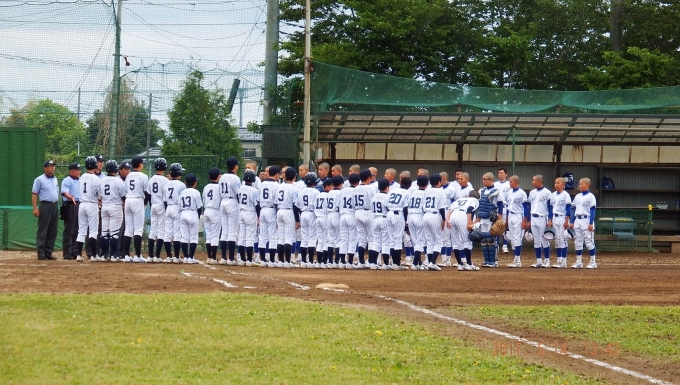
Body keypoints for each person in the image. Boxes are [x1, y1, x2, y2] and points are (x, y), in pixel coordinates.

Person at [99, 160, 127, 262]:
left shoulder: (102, 180)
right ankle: (115, 255)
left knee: (104, 233)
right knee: (114, 234)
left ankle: (104, 255)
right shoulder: (118, 181)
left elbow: (99, 196)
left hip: (104, 206)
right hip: (115, 207)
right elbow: (124, 196)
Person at [32, 160, 59, 261]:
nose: (53, 168)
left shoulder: (55, 179)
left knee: (53, 230)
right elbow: (34, 193)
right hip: (45, 205)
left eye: (53, 166)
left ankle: (48, 253)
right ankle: (41, 253)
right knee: (43, 230)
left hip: (54, 205)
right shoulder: (39, 179)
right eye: (50, 166)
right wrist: (35, 208)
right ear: (45, 168)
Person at [123, 156, 149, 263]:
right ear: (139, 164)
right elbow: (147, 192)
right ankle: (138, 255)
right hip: (137, 200)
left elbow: (125, 189)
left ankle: (126, 255)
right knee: (138, 229)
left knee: (128, 229)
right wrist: (145, 203)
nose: (143, 165)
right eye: (142, 163)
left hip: (128, 199)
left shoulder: (128, 175)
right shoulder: (143, 176)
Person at [446, 190, 480, 271]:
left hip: (453, 216)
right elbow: (470, 209)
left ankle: (460, 265)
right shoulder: (475, 200)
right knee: (467, 241)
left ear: (468, 195)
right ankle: (468, 264)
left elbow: (450, 210)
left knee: (455, 242)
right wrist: (469, 223)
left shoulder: (459, 199)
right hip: (462, 216)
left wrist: (448, 220)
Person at [76, 156, 102, 262]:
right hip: (92, 204)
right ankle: (94, 255)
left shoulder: (82, 177)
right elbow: (100, 195)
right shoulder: (96, 179)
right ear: (95, 165)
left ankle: (78, 254)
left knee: (81, 230)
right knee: (93, 231)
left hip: (82, 204)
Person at [476, 172, 503, 268]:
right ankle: (487, 260)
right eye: (483, 179)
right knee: (483, 239)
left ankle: (493, 261)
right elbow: (480, 206)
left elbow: (500, 206)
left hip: (491, 218)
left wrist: (500, 219)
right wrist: (478, 219)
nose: (483, 181)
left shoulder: (497, 191)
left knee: (491, 239)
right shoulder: (481, 191)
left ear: (491, 180)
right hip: (483, 218)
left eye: (485, 179)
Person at [570, 178, 597, 269]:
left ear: (587, 185)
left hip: (587, 219)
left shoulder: (591, 196)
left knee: (589, 241)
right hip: (578, 219)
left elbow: (592, 210)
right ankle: (579, 262)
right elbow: (573, 209)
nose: (579, 185)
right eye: (579, 184)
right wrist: (572, 221)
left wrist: (590, 223)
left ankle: (593, 262)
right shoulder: (577, 196)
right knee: (578, 242)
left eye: (581, 184)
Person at [276, 167, 300, 268]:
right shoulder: (294, 188)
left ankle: (281, 261)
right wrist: (297, 220)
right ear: (294, 176)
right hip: (289, 212)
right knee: (289, 238)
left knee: (281, 237)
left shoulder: (279, 187)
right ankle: (287, 261)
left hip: (279, 211)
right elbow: (295, 205)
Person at [219, 157, 241, 264]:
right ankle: (231, 259)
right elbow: (239, 194)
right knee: (232, 231)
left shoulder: (222, 176)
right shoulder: (235, 178)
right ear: (235, 166)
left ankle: (223, 257)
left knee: (225, 231)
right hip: (232, 202)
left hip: (223, 201)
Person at [527, 174, 552, 268]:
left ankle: (547, 261)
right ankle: (538, 261)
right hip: (533, 217)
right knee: (536, 241)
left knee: (544, 240)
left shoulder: (547, 192)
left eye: (534, 180)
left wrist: (550, 219)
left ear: (540, 181)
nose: (532, 182)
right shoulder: (532, 192)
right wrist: (528, 220)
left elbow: (550, 207)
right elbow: (529, 206)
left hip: (543, 217)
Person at [295, 172, 319, 268]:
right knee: (312, 238)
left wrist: (298, 218)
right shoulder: (316, 192)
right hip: (312, 214)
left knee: (304, 238)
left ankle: (304, 261)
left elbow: (296, 206)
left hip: (303, 214)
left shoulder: (301, 191)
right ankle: (310, 261)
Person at [147, 158, 169, 263]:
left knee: (153, 230)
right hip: (161, 205)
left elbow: (148, 194)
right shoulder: (165, 180)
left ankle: (150, 255)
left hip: (153, 204)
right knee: (161, 231)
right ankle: (157, 255)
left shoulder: (151, 179)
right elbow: (166, 197)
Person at [162, 163, 186, 263]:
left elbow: (164, 200)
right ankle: (176, 257)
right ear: (179, 173)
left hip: (168, 207)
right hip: (177, 207)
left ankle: (168, 256)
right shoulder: (182, 185)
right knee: (177, 233)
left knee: (167, 233)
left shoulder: (166, 184)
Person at [422, 174, 446, 271]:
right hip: (435, 216)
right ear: (439, 182)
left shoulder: (426, 190)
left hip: (426, 215)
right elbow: (441, 207)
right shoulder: (440, 191)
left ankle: (429, 262)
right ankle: (432, 262)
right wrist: (444, 219)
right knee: (438, 240)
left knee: (430, 240)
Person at [178, 173, 203, 264]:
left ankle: (185, 257)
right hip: (192, 212)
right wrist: (198, 216)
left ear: (185, 182)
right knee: (193, 237)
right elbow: (199, 207)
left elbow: (179, 205)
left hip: (183, 213)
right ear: (195, 183)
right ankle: (191, 257)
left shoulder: (182, 192)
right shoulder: (196, 192)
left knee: (184, 237)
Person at [386, 176, 410, 269]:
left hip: (390, 213)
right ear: (409, 185)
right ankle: (397, 263)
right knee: (398, 240)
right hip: (398, 214)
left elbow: (386, 204)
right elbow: (405, 208)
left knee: (392, 239)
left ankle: (393, 263)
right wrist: (406, 222)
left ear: (400, 183)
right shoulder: (407, 193)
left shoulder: (393, 190)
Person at [258, 166, 280, 267]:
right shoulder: (276, 185)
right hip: (271, 210)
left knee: (262, 236)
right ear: (276, 174)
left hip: (262, 209)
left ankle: (262, 260)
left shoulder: (262, 184)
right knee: (273, 236)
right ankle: (271, 260)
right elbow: (277, 201)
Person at [237, 170, 260, 266]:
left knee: (242, 235)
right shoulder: (255, 190)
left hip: (241, 212)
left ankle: (242, 259)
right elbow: (257, 205)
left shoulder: (240, 188)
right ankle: (249, 260)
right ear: (253, 180)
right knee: (250, 236)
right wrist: (259, 216)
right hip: (250, 212)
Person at [548, 177, 572, 269]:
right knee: (557, 239)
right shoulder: (552, 195)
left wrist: (567, 220)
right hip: (554, 218)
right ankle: (559, 260)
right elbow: (550, 209)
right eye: (555, 183)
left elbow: (568, 208)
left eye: (558, 183)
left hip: (562, 218)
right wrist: (550, 220)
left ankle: (564, 261)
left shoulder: (566, 195)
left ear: (563, 185)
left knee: (563, 240)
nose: (556, 185)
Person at [353, 169, 375, 269]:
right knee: (371, 238)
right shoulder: (370, 188)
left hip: (357, 212)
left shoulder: (355, 188)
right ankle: (371, 262)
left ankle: (361, 262)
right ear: (368, 178)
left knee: (361, 239)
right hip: (368, 212)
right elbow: (373, 202)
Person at [370, 179, 393, 270]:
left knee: (376, 242)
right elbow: (389, 208)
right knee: (385, 242)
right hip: (384, 219)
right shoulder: (387, 197)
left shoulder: (374, 196)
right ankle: (386, 263)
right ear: (387, 187)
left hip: (375, 219)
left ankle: (373, 263)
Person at [506, 175, 529, 268]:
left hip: (518, 216)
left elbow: (526, 208)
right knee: (512, 238)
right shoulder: (509, 193)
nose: (509, 183)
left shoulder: (522, 193)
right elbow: (508, 207)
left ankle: (518, 260)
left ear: (516, 182)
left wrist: (524, 221)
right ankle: (515, 259)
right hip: (511, 215)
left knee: (517, 238)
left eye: (511, 181)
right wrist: (507, 219)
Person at [338, 173, 359, 269]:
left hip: (343, 216)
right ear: (358, 182)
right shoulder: (357, 190)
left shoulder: (343, 190)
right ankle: (350, 262)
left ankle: (342, 261)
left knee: (343, 239)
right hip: (352, 215)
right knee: (352, 240)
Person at [60, 162, 81, 260]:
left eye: (79, 170)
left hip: (79, 204)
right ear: (71, 171)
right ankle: (67, 253)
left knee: (77, 229)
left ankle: (75, 252)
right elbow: (64, 193)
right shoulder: (67, 180)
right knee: (69, 230)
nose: (78, 172)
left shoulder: (80, 180)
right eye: (77, 170)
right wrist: (71, 197)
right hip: (70, 205)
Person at [407, 175, 428, 270]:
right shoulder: (426, 193)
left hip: (410, 216)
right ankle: (415, 263)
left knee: (415, 240)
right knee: (420, 241)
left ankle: (419, 262)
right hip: (419, 216)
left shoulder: (413, 192)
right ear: (427, 184)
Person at [203, 167, 222, 264]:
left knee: (209, 235)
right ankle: (213, 258)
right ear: (219, 176)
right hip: (215, 211)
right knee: (215, 236)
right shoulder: (219, 187)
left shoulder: (206, 186)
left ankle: (209, 257)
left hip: (206, 210)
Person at [315, 179, 332, 268]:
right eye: (331, 186)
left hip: (318, 218)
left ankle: (319, 261)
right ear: (328, 186)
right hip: (325, 218)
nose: (333, 187)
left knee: (320, 240)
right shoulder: (329, 195)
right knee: (326, 240)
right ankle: (324, 262)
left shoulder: (318, 195)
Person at [327, 175, 343, 268]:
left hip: (329, 215)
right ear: (341, 184)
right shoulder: (340, 193)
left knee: (331, 239)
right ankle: (336, 261)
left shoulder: (329, 192)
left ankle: (330, 261)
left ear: (332, 184)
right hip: (337, 215)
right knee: (338, 239)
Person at [494, 168, 511, 253]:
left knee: (504, 226)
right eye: (499, 173)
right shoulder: (494, 184)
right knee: (496, 227)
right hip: (496, 208)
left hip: (506, 207)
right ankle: (496, 245)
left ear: (506, 174)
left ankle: (505, 245)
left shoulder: (509, 184)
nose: (500, 175)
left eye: (502, 173)